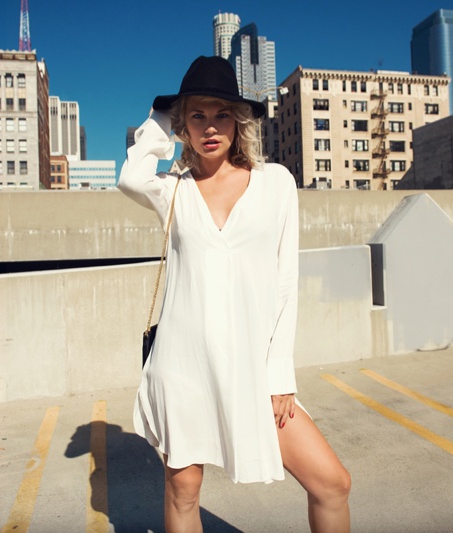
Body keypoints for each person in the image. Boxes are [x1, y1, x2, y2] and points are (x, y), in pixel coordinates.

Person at [118, 55, 351, 532]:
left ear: (238, 121)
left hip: (254, 369)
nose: (210, 127)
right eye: (197, 116)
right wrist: (165, 115)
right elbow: (130, 178)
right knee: (183, 490)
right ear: (182, 125)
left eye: (221, 113)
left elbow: (286, 281)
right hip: (184, 366)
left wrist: (280, 374)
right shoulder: (173, 190)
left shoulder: (276, 184)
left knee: (332, 483)